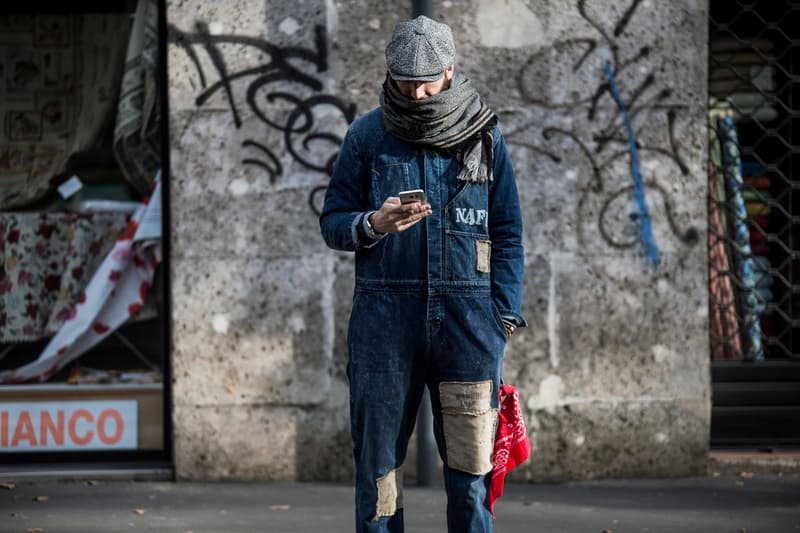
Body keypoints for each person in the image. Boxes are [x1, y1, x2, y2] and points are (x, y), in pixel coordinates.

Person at [319, 15, 526, 533]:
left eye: (427, 80)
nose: (416, 92)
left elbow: (508, 231)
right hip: (384, 324)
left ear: (451, 70)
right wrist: (373, 222)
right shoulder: (367, 135)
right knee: (379, 471)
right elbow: (333, 221)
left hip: (470, 325)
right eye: (405, 81)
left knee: (471, 475)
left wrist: (501, 317)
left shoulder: (485, 136)